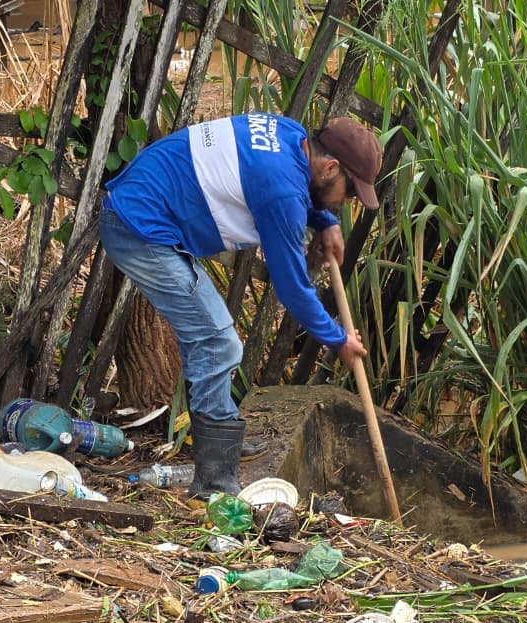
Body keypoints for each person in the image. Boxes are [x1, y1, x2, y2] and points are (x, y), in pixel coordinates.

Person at [98, 112, 380, 499]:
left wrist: (325, 220)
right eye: (350, 193)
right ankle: (214, 482)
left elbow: (295, 188)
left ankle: (220, 445)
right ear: (330, 167)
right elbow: (292, 288)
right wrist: (337, 339)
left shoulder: (290, 135)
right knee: (217, 340)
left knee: (210, 339)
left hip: (146, 208)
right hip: (139, 229)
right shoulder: (281, 193)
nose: (348, 202)